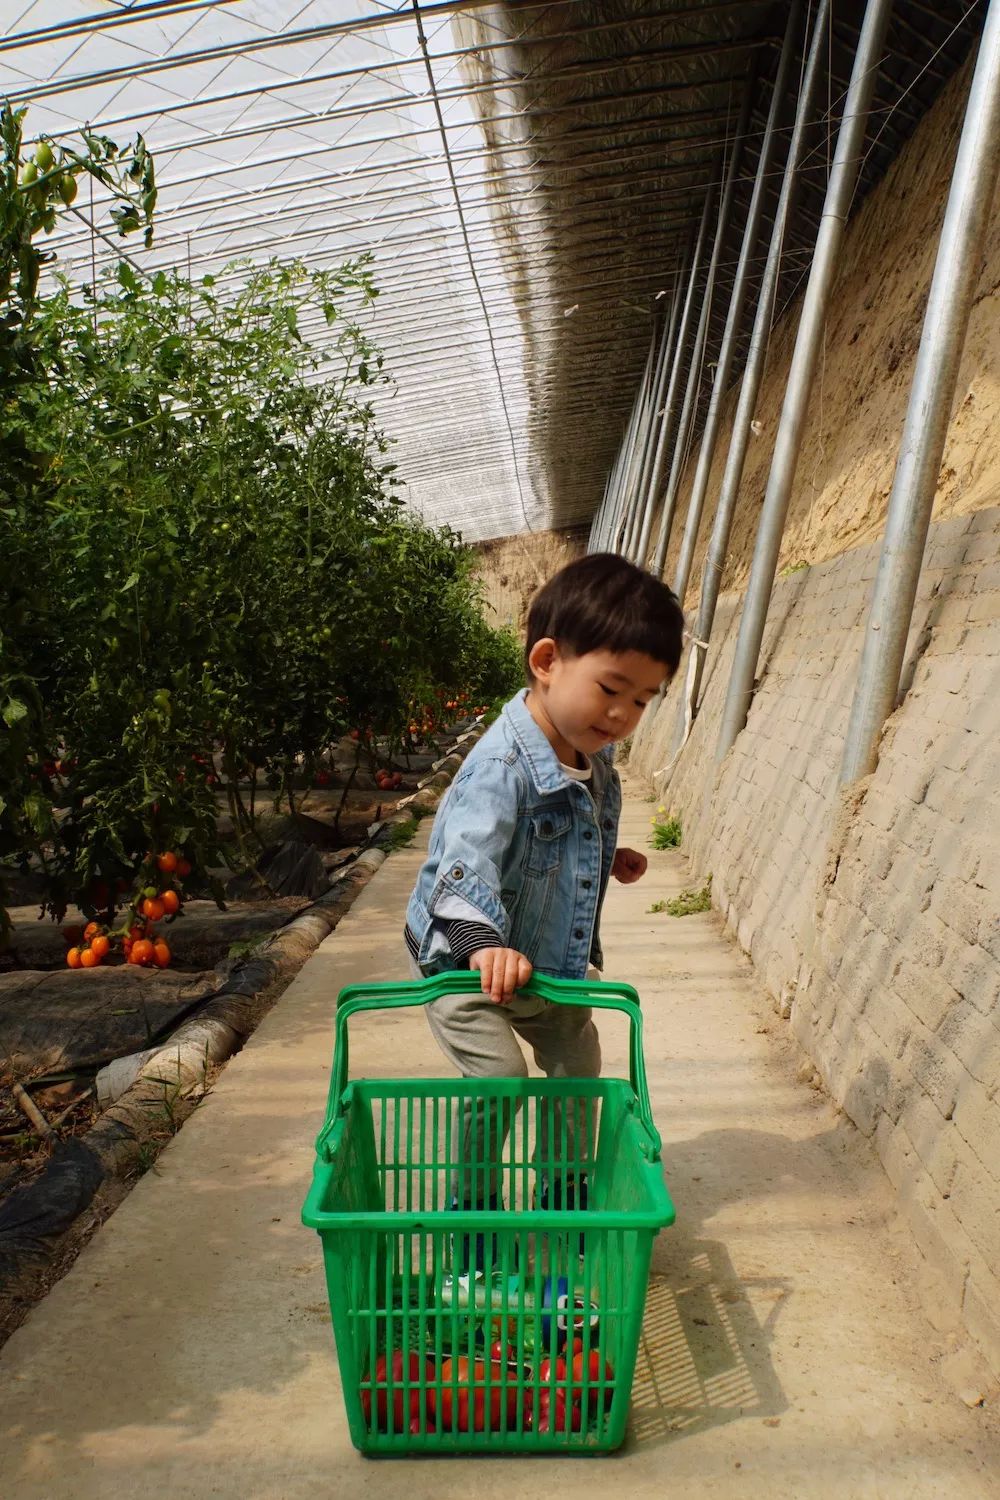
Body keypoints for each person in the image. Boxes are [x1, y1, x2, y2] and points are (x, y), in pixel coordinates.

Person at [404, 552, 684, 1258]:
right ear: (548, 660)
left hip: (545, 964)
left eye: (643, 700)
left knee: (575, 1064)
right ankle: (473, 1221)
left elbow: (574, 823)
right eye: (612, 689)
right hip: (468, 967)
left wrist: (603, 855)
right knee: (500, 1079)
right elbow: (465, 862)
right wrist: (482, 944)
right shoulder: (500, 767)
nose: (622, 715)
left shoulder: (591, 748)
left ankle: (562, 1194)